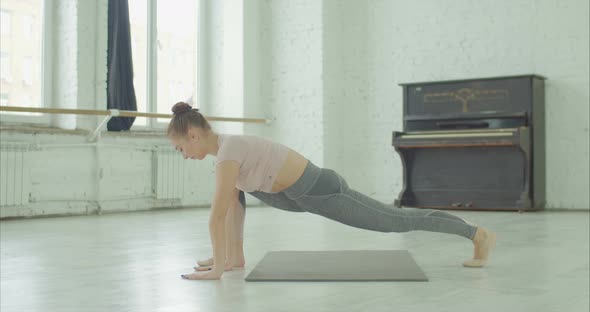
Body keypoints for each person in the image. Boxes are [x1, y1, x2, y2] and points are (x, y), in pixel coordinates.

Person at [167, 102, 497, 280]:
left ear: (194, 136)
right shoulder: (227, 153)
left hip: (320, 191)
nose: (183, 155)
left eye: (181, 148)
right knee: (235, 192)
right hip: (303, 194)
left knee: (396, 221)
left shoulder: (229, 152)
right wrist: (232, 258)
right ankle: (234, 257)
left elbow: (217, 214)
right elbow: (233, 206)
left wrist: (218, 267)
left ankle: (476, 234)